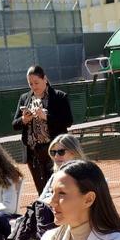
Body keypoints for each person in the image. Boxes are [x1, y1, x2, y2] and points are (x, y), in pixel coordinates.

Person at [12, 65, 73, 194]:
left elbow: (68, 121)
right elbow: (15, 124)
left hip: (55, 152)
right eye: (30, 83)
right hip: (33, 153)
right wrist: (24, 119)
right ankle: (45, 213)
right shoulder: (24, 98)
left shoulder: (59, 97)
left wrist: (46, 117)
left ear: (45, 79)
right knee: (42, 192)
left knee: (57, 188)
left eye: (36, 82)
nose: (34, 86)